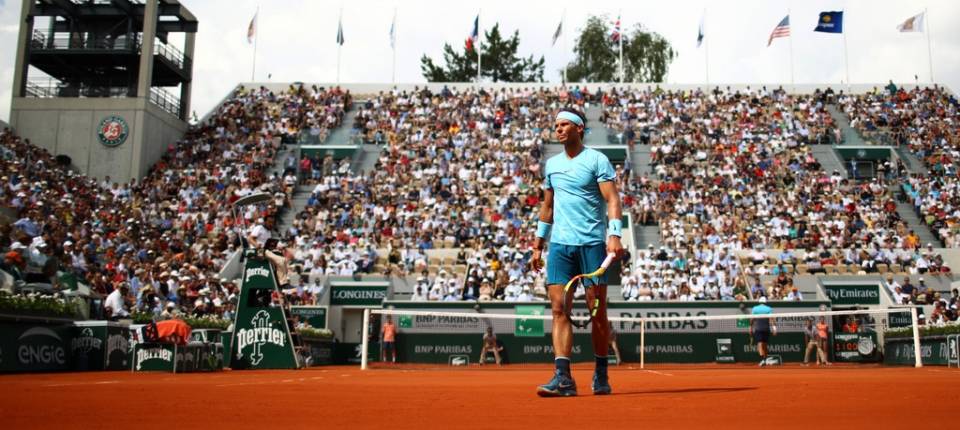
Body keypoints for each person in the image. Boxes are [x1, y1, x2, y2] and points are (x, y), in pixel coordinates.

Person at [530, 107, 624, 397]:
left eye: (564, 125)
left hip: (592, 246)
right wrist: (538, 243)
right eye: (556, 125)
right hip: (559, 247)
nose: (558, 129)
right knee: (558, 310)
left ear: (579, 128)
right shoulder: (552, 165)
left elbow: (612, 199)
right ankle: (563, 378)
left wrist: (615, 234)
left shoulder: (597, 160)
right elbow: (547, 207)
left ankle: (601, 372)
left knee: (598, 314)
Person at [750, 297, 776, 366]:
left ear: (759, 302)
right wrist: (774, 328)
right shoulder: (768, 308)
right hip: (766, 329)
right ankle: (765, 359)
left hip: (758, 329)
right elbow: (772, 319)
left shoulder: (755, 308)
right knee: (764, 345)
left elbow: (752, 319)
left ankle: (762, 359)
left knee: (760, 344)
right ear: (765, 302)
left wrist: (750, 327)